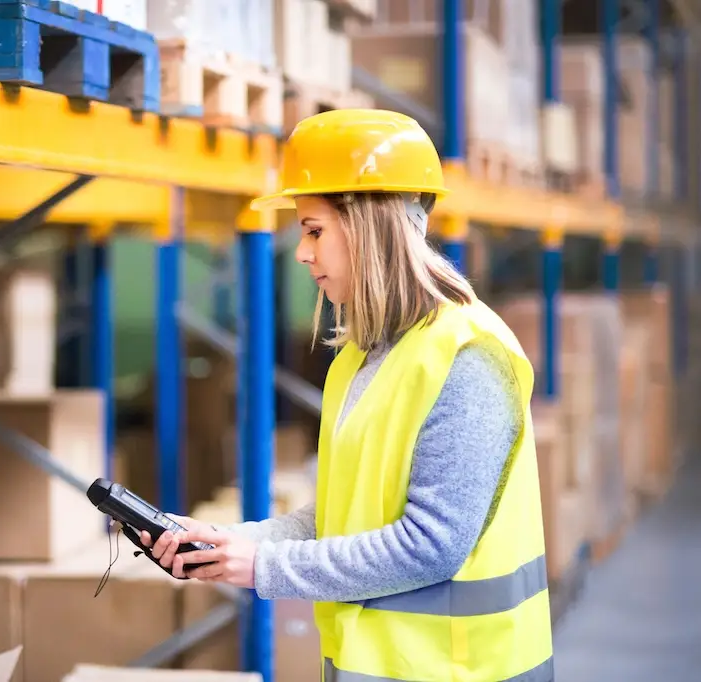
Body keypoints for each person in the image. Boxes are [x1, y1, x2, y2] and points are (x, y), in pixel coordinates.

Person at [140, 109, 553, 682]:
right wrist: (229, 543)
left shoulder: (467, 358)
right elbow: (342, 515)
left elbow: (431, 545)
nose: (303, 253)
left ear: (371, 226)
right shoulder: (360, 356)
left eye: (314, 230)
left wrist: (260, 565)